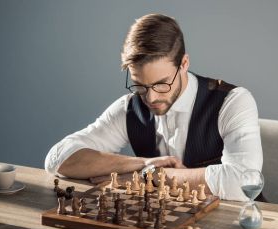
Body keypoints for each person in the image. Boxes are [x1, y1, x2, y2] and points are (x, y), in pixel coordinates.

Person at [45, 13, 263, 200]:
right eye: (139, 85)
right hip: (165, 224)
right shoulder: (129, 108)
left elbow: (246, 182)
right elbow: (57, 159)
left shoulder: (233, 101)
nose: (150, 97)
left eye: (161, 84)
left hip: (237, 226)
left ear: (184, 64)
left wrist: (153, 177)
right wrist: (144, 164)